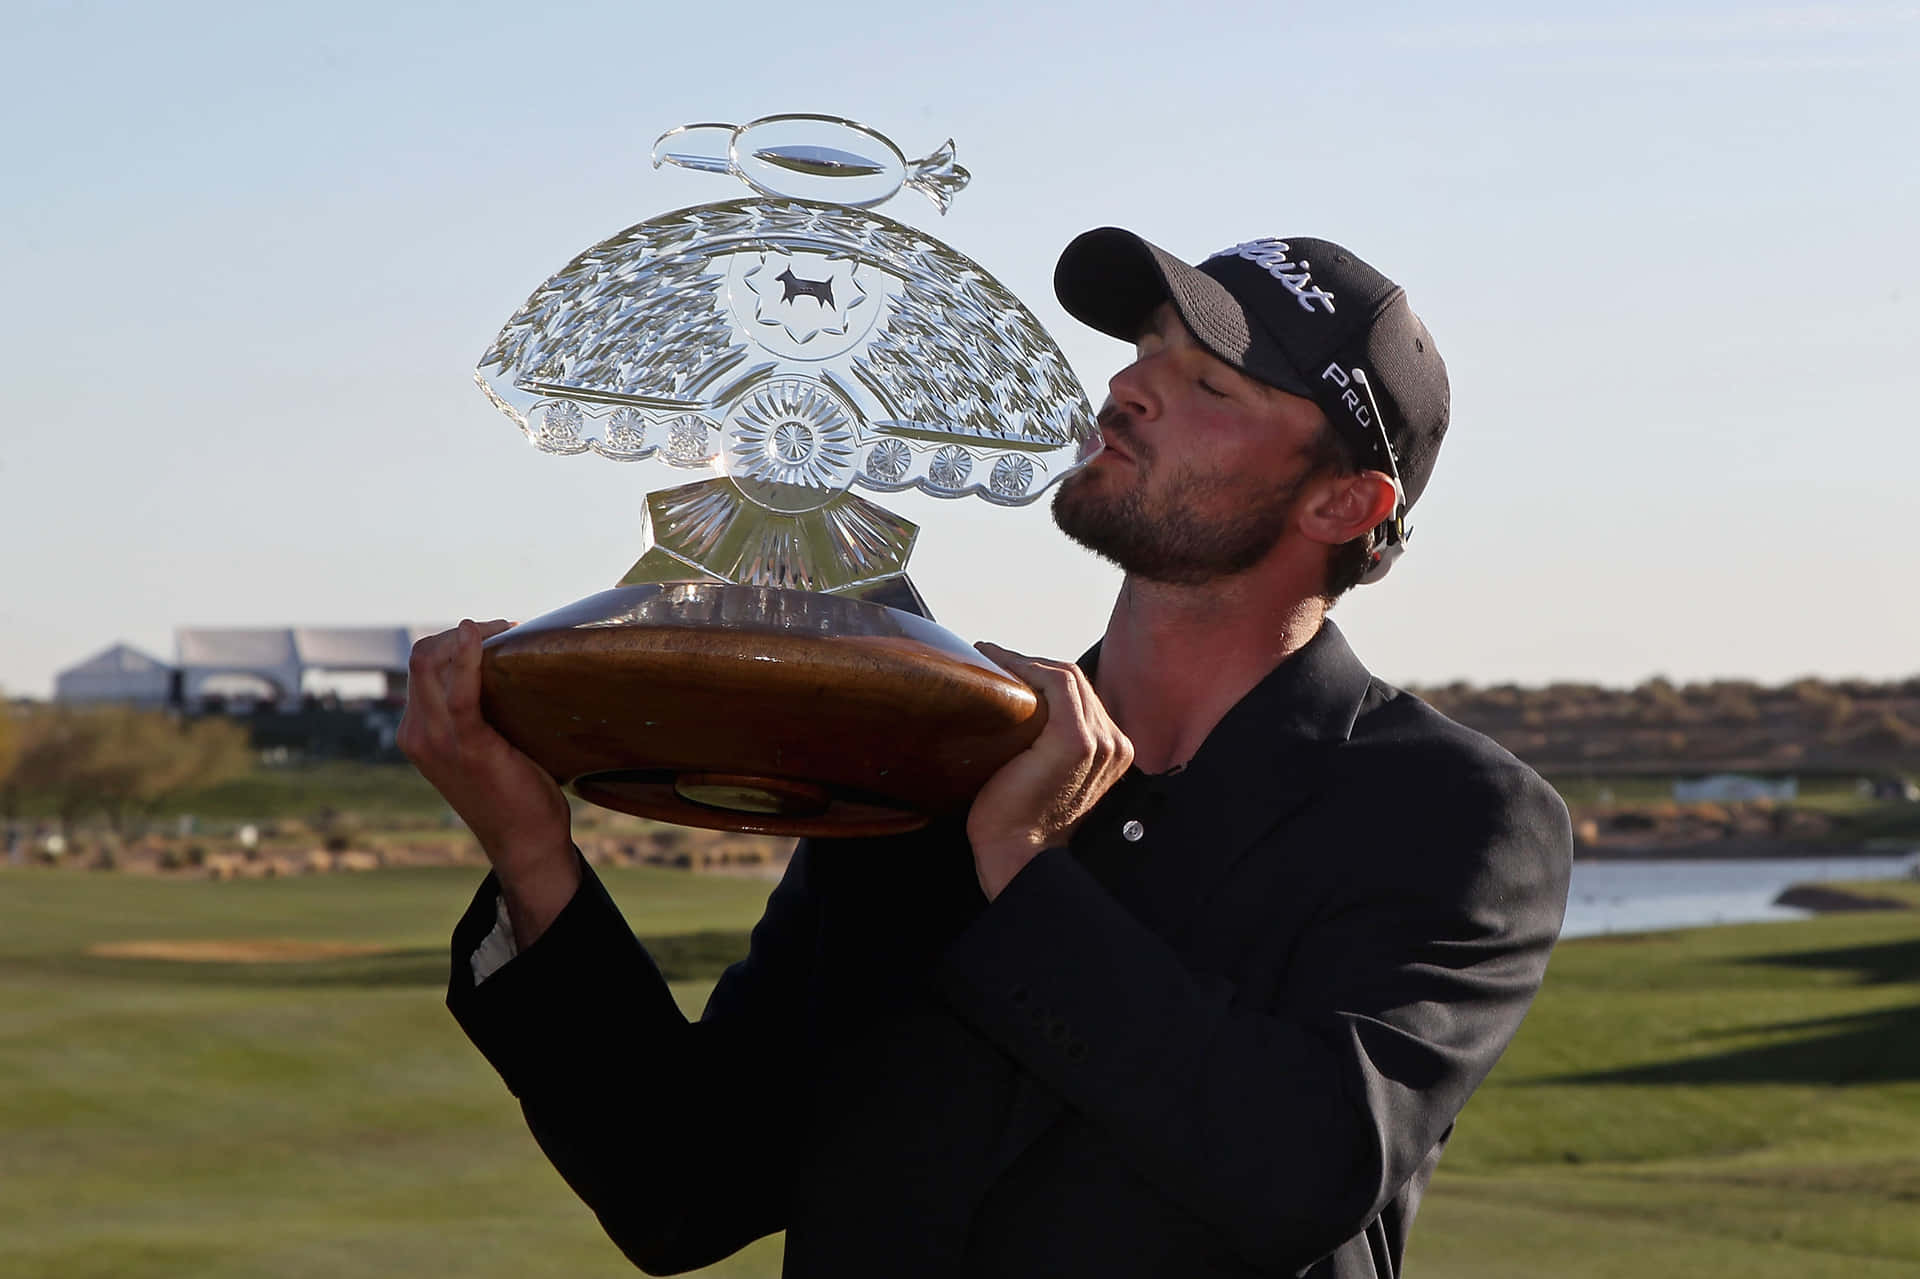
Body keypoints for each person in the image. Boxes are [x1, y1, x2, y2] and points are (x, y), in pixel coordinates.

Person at [401, 227, 1573, 1278]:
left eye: (1206, 380)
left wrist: (1018, 862)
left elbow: (1293, 1174)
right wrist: (531, 854)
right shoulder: (912, 759)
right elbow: (682, 1191)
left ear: (1342, 506)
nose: (1124, 389)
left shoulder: (1454, 815)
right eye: (1142, 353)